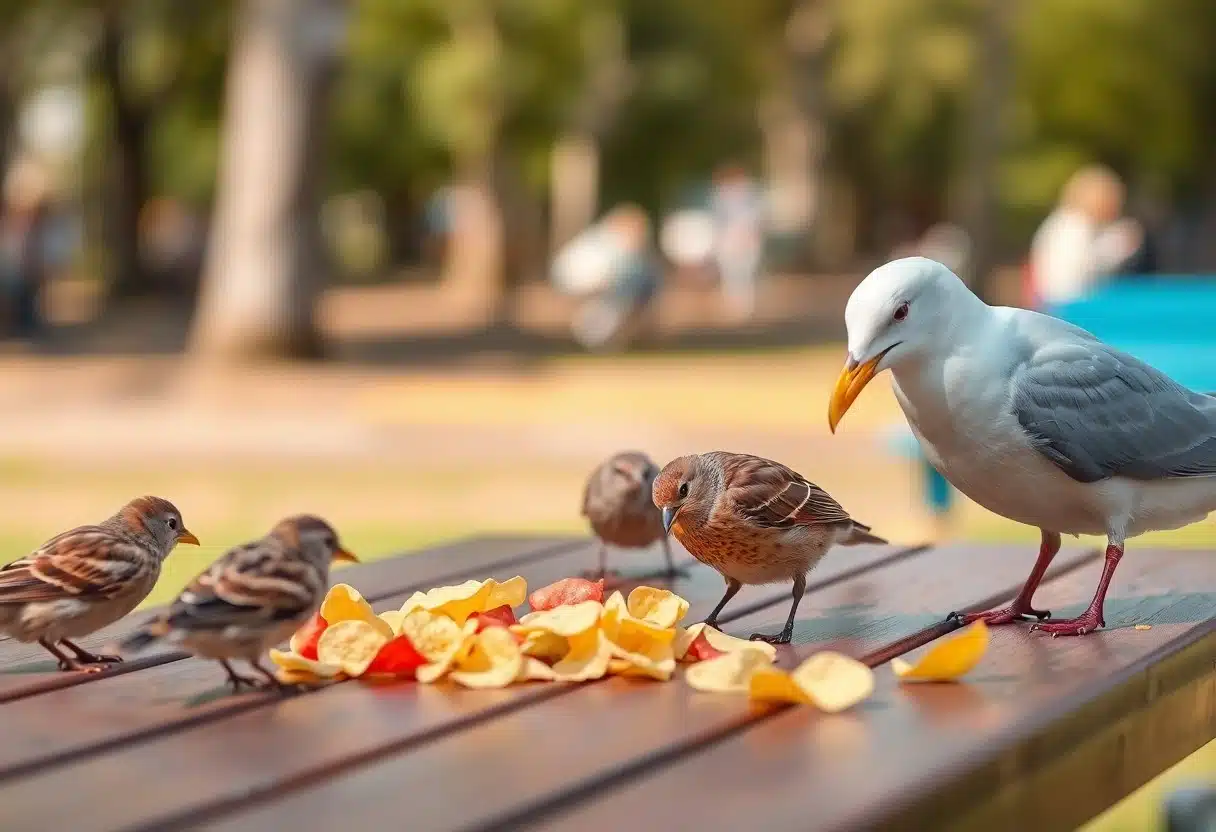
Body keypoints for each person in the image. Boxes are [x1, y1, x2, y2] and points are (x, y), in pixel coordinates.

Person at [1027, 164, 1144, 307]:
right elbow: (1079, 272)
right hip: (1066, 306)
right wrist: (1118, 245)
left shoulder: (1068, 223)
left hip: (1063, 303)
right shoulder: (1074, 226)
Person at [551, 203, 661, 352]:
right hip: (585, 284)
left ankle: (599, 335)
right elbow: (593, 277)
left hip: (587, 284)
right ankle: (594, 335)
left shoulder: (602, 241)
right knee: (630, 285)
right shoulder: (607, 246)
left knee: (634, 285)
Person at [0, 157, 54, 340]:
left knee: (27, 293)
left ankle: (25, 323)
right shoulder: (14, 223)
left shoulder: (31, 225)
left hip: (22, 267)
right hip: (16, 267)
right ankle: (20, 323)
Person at [709, 163, 765, 321]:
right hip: (728, 241)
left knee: (746, 274)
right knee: (731, 275)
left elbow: (757, 219)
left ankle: (745, 307)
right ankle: (735, 306)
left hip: (747, 241)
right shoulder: (720, 197)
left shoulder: (752, 196)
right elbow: (718, 221)